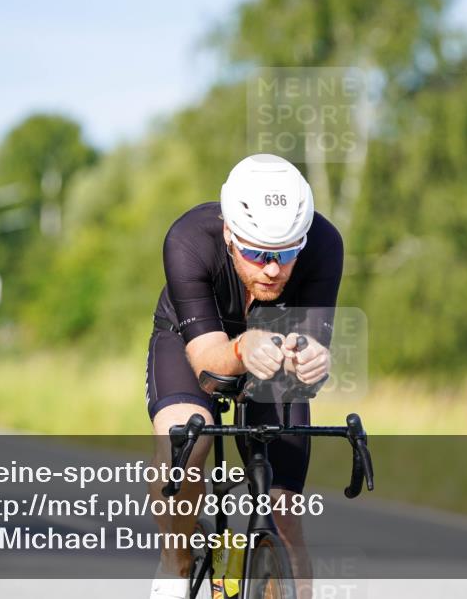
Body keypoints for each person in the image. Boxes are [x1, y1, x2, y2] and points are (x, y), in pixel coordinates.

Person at [146, 153, 344, 599]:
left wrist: (314, 360)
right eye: (257, 253)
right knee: (186, 439)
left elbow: (313, 343)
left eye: (288, 252)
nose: (273, 269)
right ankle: (176, 562)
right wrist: (242, 346)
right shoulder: (188, 240)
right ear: (230, 235)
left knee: (286, 509)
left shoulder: (325, 244)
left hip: (274, 343)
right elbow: (208, 364)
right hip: (192, 337)